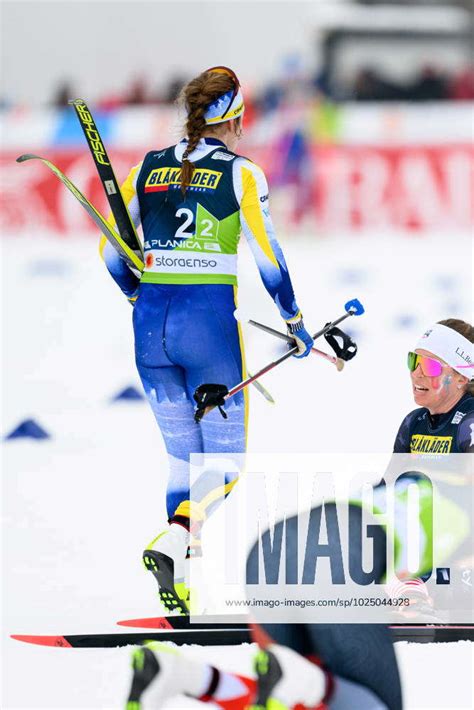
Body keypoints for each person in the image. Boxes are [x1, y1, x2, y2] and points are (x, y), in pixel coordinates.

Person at [124, 319, 473, 709]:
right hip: (349, 559)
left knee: (310, 686)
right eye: (414, 360)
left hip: (289, 551)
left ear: (463, 377)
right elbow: (411, 498)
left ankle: (193, 678)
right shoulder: (415, 423)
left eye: (432, 367)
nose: (416, 373)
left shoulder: (467, 422)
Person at [100, 66, 314, 613]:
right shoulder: (243, 174)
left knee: (182, 464)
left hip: (149, 328)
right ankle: (174, 541)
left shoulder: (146, 166)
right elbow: (270, 261)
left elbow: (109, 252)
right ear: (236, 119)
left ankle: (184, 585)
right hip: (209, 329)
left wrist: (136, 295)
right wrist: (293, 321)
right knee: (226, 467)